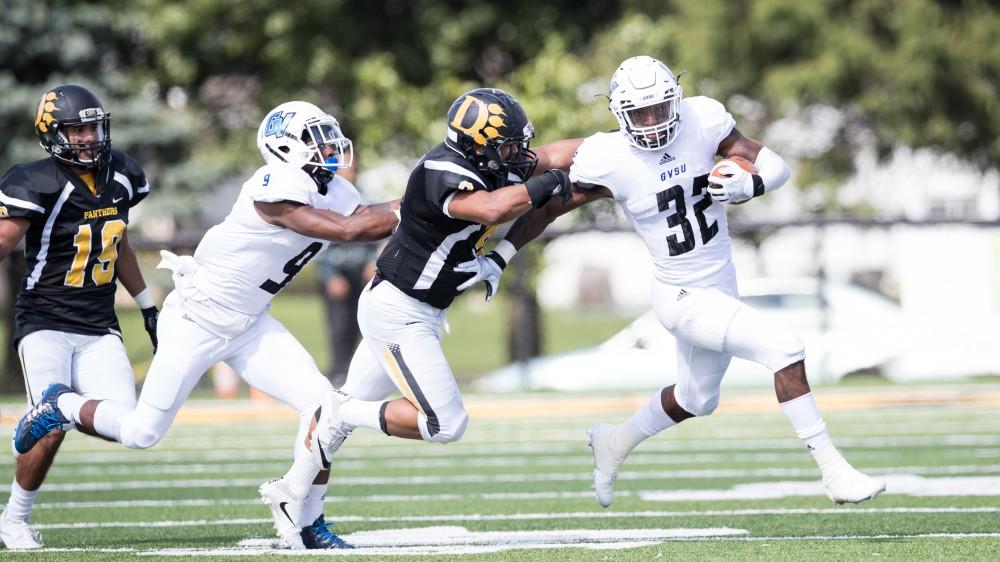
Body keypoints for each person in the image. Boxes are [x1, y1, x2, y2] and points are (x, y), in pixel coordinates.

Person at [460, 56, 887, 508]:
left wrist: (751, 186)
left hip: (720, 284)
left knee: (697, 398)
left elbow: (774, 164)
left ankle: (614, 442)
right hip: (682, 297)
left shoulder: (704, 119)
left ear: (677, 100)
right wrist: (501, 254)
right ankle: (833, 472)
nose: (650, 122)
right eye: (638, 114)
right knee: (785, 347)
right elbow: (550, 204)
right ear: (619, 114)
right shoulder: (610, 156)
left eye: (659, 109)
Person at [12, 101, 400, 549]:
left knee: (322, 408)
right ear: (286, 146)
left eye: (329, 135)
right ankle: (61, 406)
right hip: (198, 316)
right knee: (142, 433)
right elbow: (350, 231)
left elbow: (364, 216)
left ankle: (305, 517)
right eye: (316, 138)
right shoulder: (273, 184)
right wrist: (422, 203)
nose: (330, 147)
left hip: (251, 321)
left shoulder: (335, 188)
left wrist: (429, 200)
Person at [310, 87, 576, 482]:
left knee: (338, 423)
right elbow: (492, 208)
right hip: (399, 311)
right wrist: (549, 181)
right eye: (506, 147)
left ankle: (296, 498)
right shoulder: (441, 172)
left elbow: (556, 156)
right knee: (444, 423)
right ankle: (339, 411)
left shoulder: (492, 164)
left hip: (418, 308)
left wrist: (614, 147)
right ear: (477, 145)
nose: (516, 155)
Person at [0, 84, 158, 550]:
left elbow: (117, 240)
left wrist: (148, 305)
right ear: (53, 134)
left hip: (98, 324)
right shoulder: (34, 180)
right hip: (45, 320)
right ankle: (13, 519)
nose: (89, 137)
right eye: (77, 129)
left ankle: (60, 405)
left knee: (129, 428)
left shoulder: (122, 174)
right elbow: (3, 243)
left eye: (93, 127)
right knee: (47, 430)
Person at [315, 241, 378, 386]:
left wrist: (374, 261)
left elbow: (379, 242)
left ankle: (362, 372)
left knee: (365, 325)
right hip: (338, 275)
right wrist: (330, 276)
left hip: (363, 276)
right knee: (340, 325)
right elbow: (320, 247)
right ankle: (339, 371)